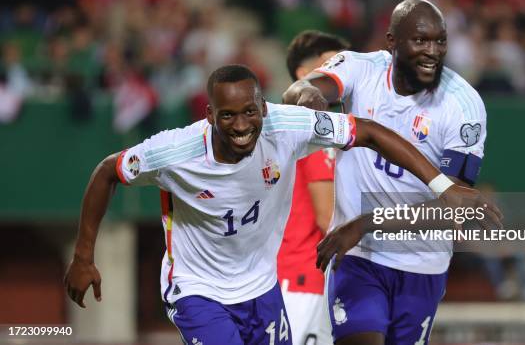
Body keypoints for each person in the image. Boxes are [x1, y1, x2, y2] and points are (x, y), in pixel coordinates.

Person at [64, 64, 485, 345]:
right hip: (197, 290)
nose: (242, 126)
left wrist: (440, 183)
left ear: (263, 106)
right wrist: (84, 256)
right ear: (209, 115)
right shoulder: (173, 152)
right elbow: (106, 172)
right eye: (228, 116)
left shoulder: (289, 126)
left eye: (250, 112)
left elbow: (370, 132)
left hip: (262, 288)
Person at [283, 0, 500, 345]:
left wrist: (367, 223)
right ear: (391, 41)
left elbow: (453, 205)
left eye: (440, 41)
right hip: (358, 257)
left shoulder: (463, 104)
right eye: (420, 40)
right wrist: (308, 96)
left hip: (421, 262)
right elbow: (300, 88)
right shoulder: (361, 68)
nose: (432, 51)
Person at [279, 30, 349, 345]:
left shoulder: (289, 125)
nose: (342, 74)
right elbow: (328, 217)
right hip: (303, 276)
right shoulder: (312, 131)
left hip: (291, 273)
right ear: (304, 76)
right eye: (332, 64)